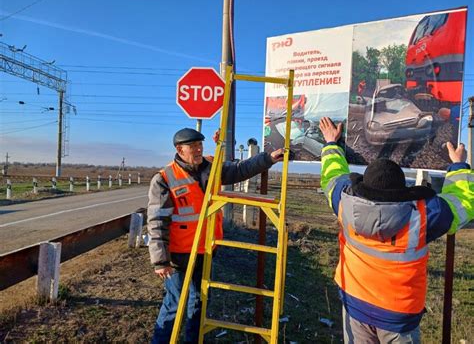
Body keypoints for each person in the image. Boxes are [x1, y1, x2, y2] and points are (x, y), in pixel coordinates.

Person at [318, 117, 473, 344]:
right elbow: (463, 204)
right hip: (399, 316)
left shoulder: (344, 203)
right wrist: (458, 166)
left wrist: (332, 143)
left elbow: (331, 177)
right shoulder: (423, 215)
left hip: (354, 304)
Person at [147, 128, 284, 343]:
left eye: (200, 145)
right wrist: (160, 261)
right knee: (174, 303)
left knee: (199, 302)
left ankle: (193, 340)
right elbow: (156, 222)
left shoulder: (211, 168)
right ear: (179, 150)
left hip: (206, 249)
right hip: (177, 256)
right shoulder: (164, 178)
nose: (198, 149)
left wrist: (268, 158)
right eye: (192, 146)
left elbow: (240, 169)